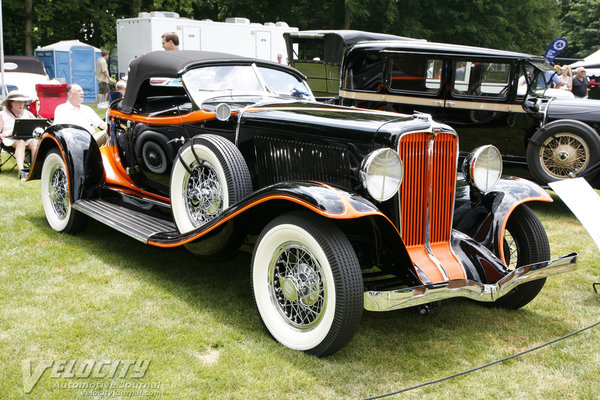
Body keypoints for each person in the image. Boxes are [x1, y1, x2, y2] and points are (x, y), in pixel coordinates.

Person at [0, 91, 39, 179]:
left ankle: (35, 170)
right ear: (11, 103)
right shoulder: (2, 114)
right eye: (18, 102)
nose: (21, 104)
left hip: (27, 137)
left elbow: (37, 126)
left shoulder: (28, 113)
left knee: (34, 142)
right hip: (9, 140)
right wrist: (3, 134)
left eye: (22, 102)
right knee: (20, 142)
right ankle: (22, 171)